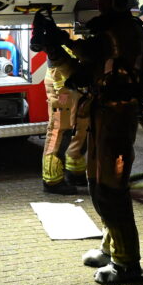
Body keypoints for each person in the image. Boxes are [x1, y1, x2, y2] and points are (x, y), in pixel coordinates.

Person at [35, 0, 143, 284]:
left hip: (117, 119)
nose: (98, 3)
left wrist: (65, 41)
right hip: (102, 114)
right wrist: (55, 52)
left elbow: (92, 53)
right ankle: (110, 250)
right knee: (98, 186)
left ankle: (128, 265)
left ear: (119, 0)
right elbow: (82, 74)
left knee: (112, 191)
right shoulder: (110, 34)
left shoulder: (123, 33)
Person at [41, 41, 89, 195]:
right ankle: (52, 181)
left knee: (81, 126)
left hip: (72, 85)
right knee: (59, 131)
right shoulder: (59, 55)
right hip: (61, 88)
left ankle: (75, 173)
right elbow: (59, 75)